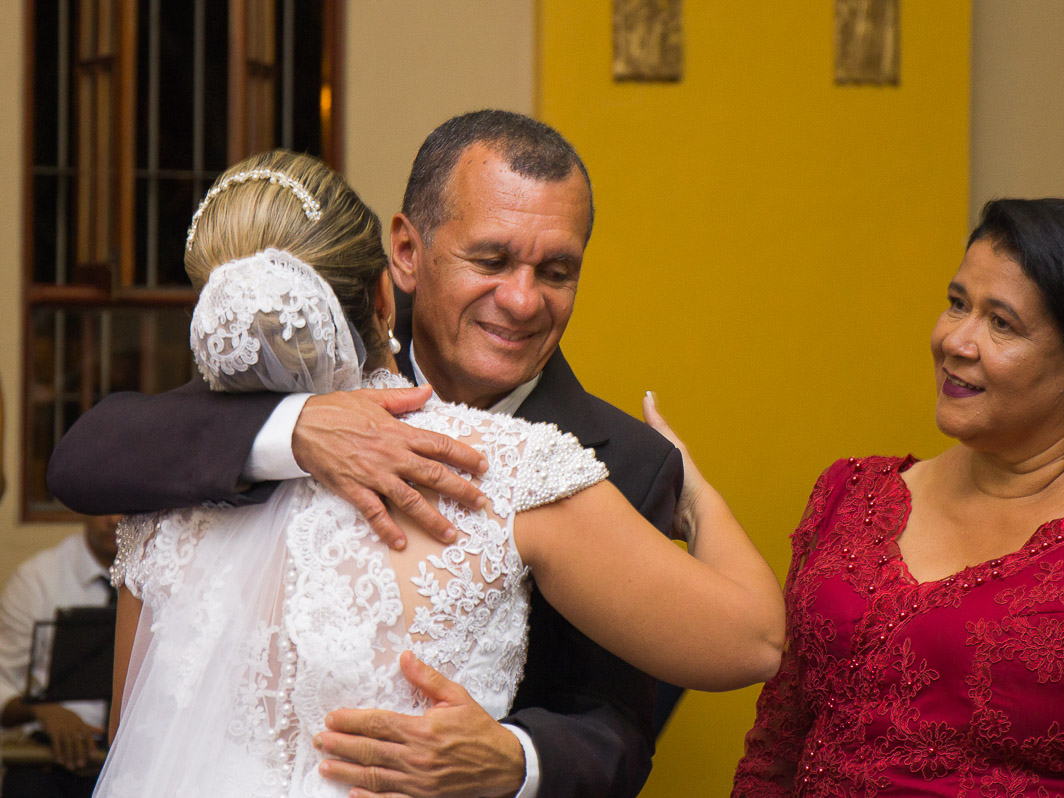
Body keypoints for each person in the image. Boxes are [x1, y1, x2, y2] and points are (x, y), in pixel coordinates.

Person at [90, 150, 782, 797]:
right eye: (491, 260)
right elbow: (755, 642)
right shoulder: (511, 467)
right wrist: (700, 497)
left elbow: (135, 742)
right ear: (391, 281)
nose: (521, 299)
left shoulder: (162, 503)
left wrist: (517, 758)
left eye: (555, 271)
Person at [732, 198, 1064, 796]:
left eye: (1001, 323)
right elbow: (778, 741)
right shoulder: (854, 496)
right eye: (958, 304)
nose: (955, 340)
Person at [0, 513, 122, 798]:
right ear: (83, 508)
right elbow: (2, 680)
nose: (114, 519)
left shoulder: (168, 576)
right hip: (49, 761)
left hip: (138, 752)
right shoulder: (37, 579)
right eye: (103, 506)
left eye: (125, 506)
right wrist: (41, 709)